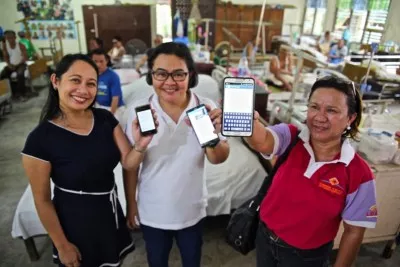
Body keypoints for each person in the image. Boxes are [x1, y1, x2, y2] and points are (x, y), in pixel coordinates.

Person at [21, 53, 153, 266]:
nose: (83, 90)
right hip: (75, 223)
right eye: (75, 80)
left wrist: (140, 144)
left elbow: (129, 163)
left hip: (110, 214)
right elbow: (42, 200)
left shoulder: (105, 119)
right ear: (55, 81)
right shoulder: (40, 140)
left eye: (91, 83)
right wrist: (62, 245)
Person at [245, 76, 377, 267]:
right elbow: (263, 140)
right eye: (314, 107)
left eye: (331, 110)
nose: (320, 117)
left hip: (305, 258)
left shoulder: (359, 173)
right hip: (265, 238)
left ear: (351, 118)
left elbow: (354, 231)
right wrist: (248, 124)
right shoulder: (291, 138)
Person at [124, 42, 230, 267]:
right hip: (152, 210)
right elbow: (130, 165)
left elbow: (219, 158)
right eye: (161, 74)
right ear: (151, 75)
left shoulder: (206, 107)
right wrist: (131, 203)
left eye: (178, 74)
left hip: (191, 209)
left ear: (190, 75)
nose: (170, 82)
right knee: (157, 261)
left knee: (192, 261)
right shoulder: (139, 111)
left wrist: (209, 137)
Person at [89, 49, 125, 119]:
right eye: (95, 61)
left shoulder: (113, 76)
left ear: (107, 61)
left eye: (101, 61)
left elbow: (115, 98)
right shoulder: (91, 74)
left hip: (114, 108)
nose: (98, 64)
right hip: (99, 106)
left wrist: (110, 116)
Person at [0, 30, 29, 101]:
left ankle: (22, 94)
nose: (10, 39)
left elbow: (25, 57)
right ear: (6, 38)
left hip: (21, 64)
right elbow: (5, 57)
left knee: (20, 74)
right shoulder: (5, 46)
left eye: (11, 37)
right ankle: (10, 93)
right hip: (11, 65)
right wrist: (9, 65)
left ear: (15, 37)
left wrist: (18, 65)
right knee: (3, 74)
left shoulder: (21, 45)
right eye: (8, 38)